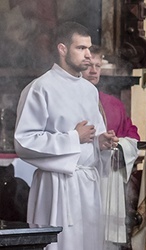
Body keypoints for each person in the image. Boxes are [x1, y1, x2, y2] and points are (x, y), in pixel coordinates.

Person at [14, 21, 119, 250]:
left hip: (87, 186)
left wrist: (101, 143)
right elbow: (24, 141)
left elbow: (94, 133)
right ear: (62, 49)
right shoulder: (40, 88)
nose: (89, 56)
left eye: (89, 48)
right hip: (57, 187)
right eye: (81, 48)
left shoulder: (89, 90)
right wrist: (73, 138)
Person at [81, 45, 140, 249]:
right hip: (81, 179)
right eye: (89, 65)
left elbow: (132, 135)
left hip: (108, 179)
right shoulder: (70, 99)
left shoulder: (113, 104)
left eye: (98, 65)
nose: (94, 70)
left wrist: (119, 147)